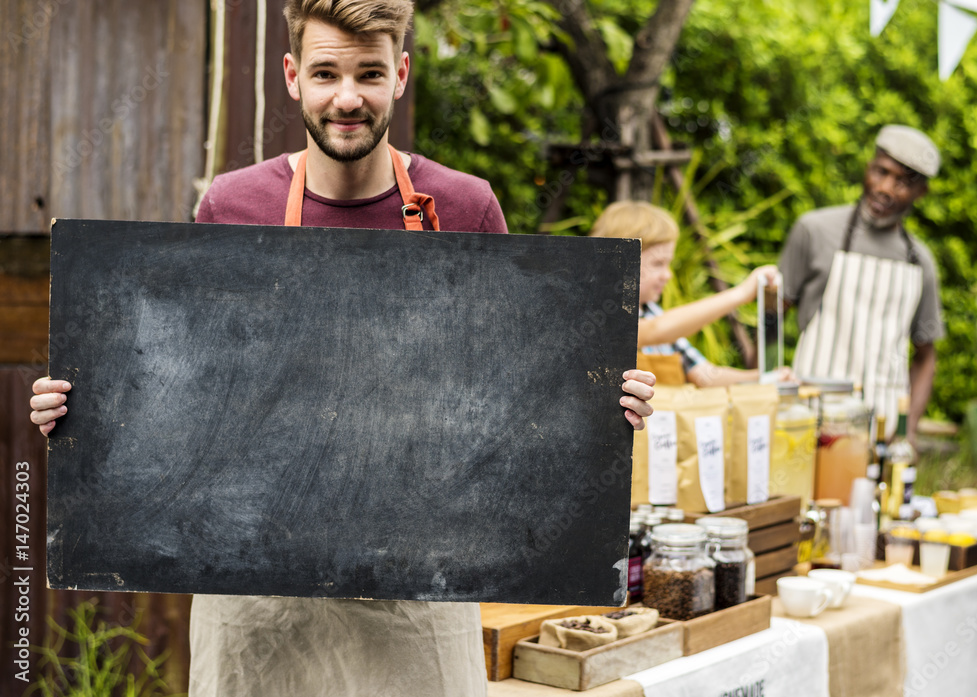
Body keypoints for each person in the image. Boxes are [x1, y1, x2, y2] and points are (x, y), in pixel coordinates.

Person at [29, 2, 656, 696]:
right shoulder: (232, 206)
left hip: (419, 596)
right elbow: (185, 397)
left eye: (369, 73)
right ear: (293, 76)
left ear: (401, 75)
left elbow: (517, 397)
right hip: (256, 604)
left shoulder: (465, 206)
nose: (348, 97)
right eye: (326, 73)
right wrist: (84, 409)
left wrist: (602, 400)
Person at [779, 125, 944, 444]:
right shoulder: (814, 231)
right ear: (868, 169)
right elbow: (770, 320)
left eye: (902, 182)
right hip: (806, 426)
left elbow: (926, 355)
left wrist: (907, 431)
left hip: (880, 437)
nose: (886, 188)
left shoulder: (920, 262)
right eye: (881, 172)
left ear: (921, 192)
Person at [590, 200, 792, 387]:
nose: (667, 275)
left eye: (668, 264)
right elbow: (653, 331)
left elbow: (704, 375)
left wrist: (768, 378)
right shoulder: (598, 314)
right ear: (618, 262)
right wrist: (740, 294)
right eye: (658, 264)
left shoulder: (653, 312)